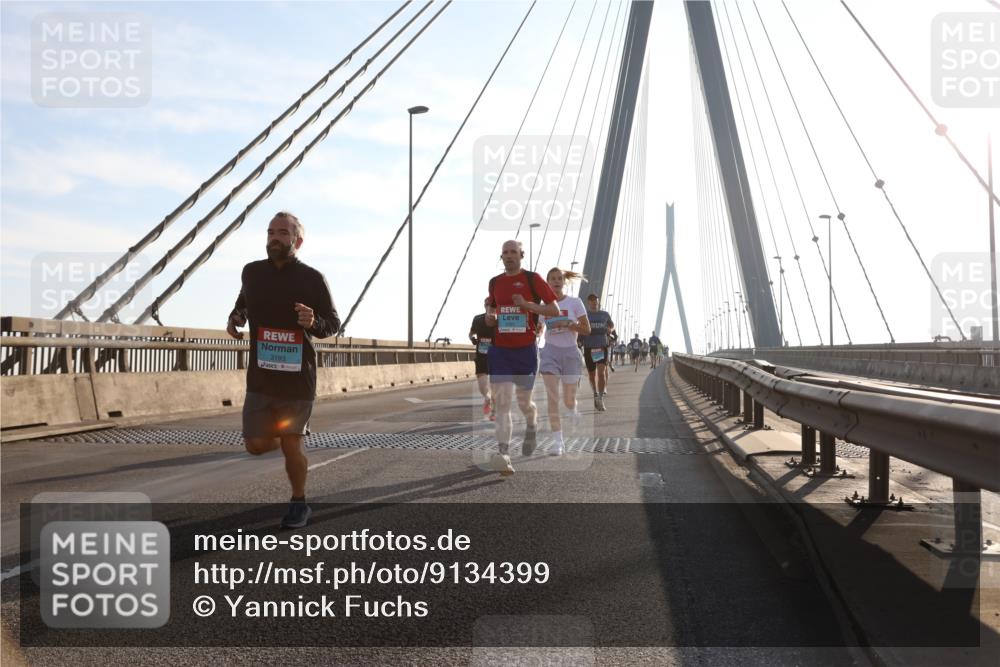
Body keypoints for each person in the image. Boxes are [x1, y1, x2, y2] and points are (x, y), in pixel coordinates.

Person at [227, 211, 339, 529]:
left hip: (297, 379)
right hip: (261, 377)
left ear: (297, 241)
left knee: (292, 443)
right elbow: (243, 304)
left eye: (283, 233)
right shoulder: (251, 272)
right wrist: (235, 318)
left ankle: (299, 503)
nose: (274, 238)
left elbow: (332, 323)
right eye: (271, 232)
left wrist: (313, 322)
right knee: (255, 444)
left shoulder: (312, 279)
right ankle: (283, 435)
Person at [485, 240, 560, 475]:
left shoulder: (532, 279)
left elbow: (554, 310)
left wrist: (527, 305)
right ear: (501, 256)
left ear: (521, 255)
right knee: (502, 403)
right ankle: (504, 454)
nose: (509, 256)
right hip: (500, 350)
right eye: (505, 252)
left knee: (524, 403)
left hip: (525, 350)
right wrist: (490, 317)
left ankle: (532, 423)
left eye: (513, 252)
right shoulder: (495, 282)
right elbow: (491, 309)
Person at [538, 268, 590, 457]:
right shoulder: (544, 306)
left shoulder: (575, 303)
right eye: (552, 279)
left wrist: (568, 324)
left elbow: (587, 329)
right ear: (547, 283)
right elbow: (539, 329)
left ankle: (573, 408)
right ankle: (558, 443)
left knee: (568, 400)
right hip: (550, 352)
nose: (556, 281)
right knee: (552, 397)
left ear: (564, 282)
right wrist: (537, 329)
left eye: (559, 278)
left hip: (570, 353)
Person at [580, 294, 615, 412]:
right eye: (592, 302)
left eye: (596, 302)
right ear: (588, 303)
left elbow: (612, 325)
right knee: (591, 375)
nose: (594, 304)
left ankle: (600, 398)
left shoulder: (604, 314)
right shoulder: (585, 315)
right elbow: (580, 329)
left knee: (601, 373)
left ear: (598, 302)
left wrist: (610, 329)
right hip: (589, 347)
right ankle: (595, 393)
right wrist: (579, 340)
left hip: (601, 346)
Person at [469, 297, 496, 421]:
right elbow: (471, 333)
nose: (489, 307)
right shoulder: (477, 319)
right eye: (487, 305)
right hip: (481, 355)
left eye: (492, 305)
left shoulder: (500, 319)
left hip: (496, 356)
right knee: (482, 386)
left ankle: (494, 411)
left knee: (496, 385)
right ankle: (487, 398)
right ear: (484, 306)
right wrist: (472, 338)